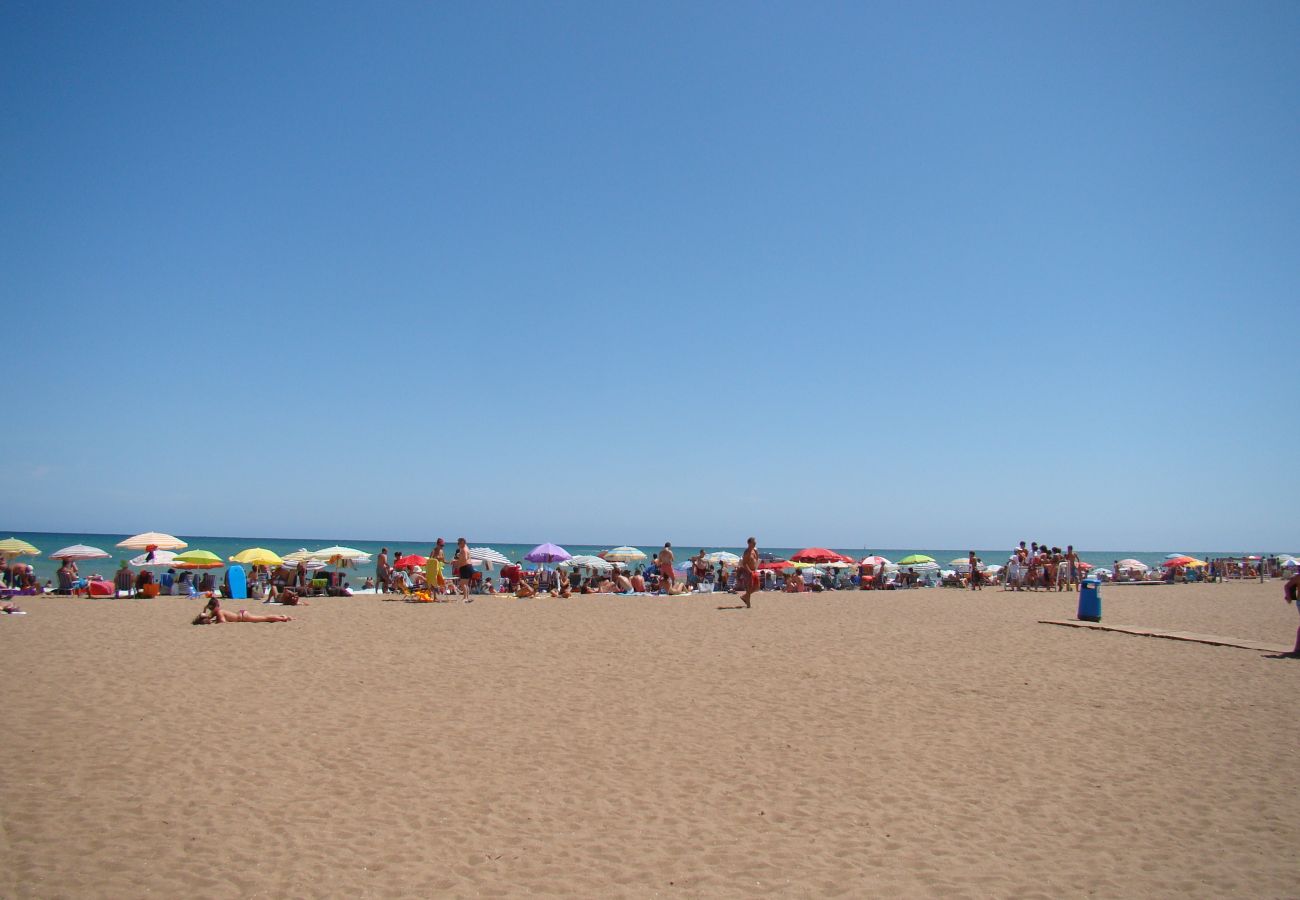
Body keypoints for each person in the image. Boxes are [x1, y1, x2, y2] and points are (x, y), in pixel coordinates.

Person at [193, 596, 292, 624]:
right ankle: (281, 617)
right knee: (263, 618)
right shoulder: (217, 612)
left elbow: (223, 622)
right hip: (242, 615)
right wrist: (205, 609)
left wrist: (216, 621)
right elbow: (206, 616)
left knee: (264, 618)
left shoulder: (219, 613)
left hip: (243, 617)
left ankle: (283, 618)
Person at [739, 537, 759, 608]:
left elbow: (756, 559)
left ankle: (744, 597)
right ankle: (748, 604)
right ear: (749, 543)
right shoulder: (747, 552)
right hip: (748, 571)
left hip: (753, 570)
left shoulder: (754, 550)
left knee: (757, 587)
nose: (755, 543)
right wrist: (749, 571)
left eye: (755, 542)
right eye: (753, 542)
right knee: (749, 587)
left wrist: (757, 553)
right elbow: (744, 563)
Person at [452, 538, 474, 602]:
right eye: (458, 543)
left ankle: (465, 597)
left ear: (463, 543)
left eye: (459, 543)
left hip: (465, 567)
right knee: (465, 584)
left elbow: (464, 559)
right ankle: (466, 597)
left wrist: (456, 562)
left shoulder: (464, 549)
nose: (458, 544)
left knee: (463, 583)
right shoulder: (465, 548)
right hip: (468, 566)